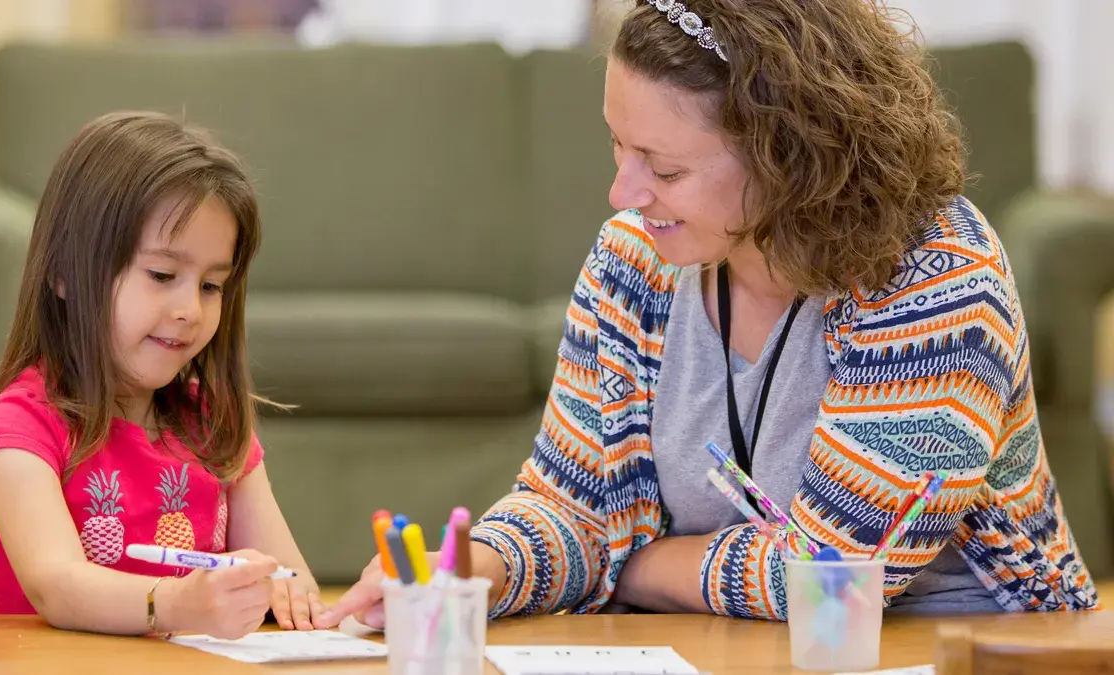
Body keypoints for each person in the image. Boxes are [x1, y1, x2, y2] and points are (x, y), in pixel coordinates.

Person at [319, 0, 1102, 628]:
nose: (623, 194)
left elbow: (834, 576)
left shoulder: (937, 272)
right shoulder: (636, 259)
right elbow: (573, 502)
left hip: (962, 645)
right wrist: (477, 566)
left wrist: (635, 562)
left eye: (664, 167)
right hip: (723, 642)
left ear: (792, 154)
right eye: (617, 147)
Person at [0, 111, 324, 639]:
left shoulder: (213, 421)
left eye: (212, 286)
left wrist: (285, 591)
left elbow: (291, 577)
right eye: (162, 275)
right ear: (64, 273)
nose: (191, 310)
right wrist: (174, 603)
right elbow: (56, 585)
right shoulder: (19, 430)